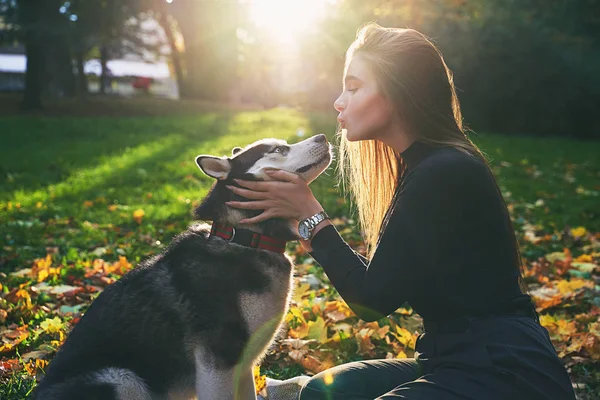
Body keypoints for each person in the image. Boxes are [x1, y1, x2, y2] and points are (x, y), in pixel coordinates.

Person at [226, 23, 576, 400]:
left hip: (506, 371)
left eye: (354, 87)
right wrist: (302, 220)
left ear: (398, 91)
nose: (338, 102)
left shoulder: (444, 171)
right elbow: (380, 284)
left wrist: (311, 213)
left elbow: (372, 301)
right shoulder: (423, 168)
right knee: (324, 391)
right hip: (448, 360)